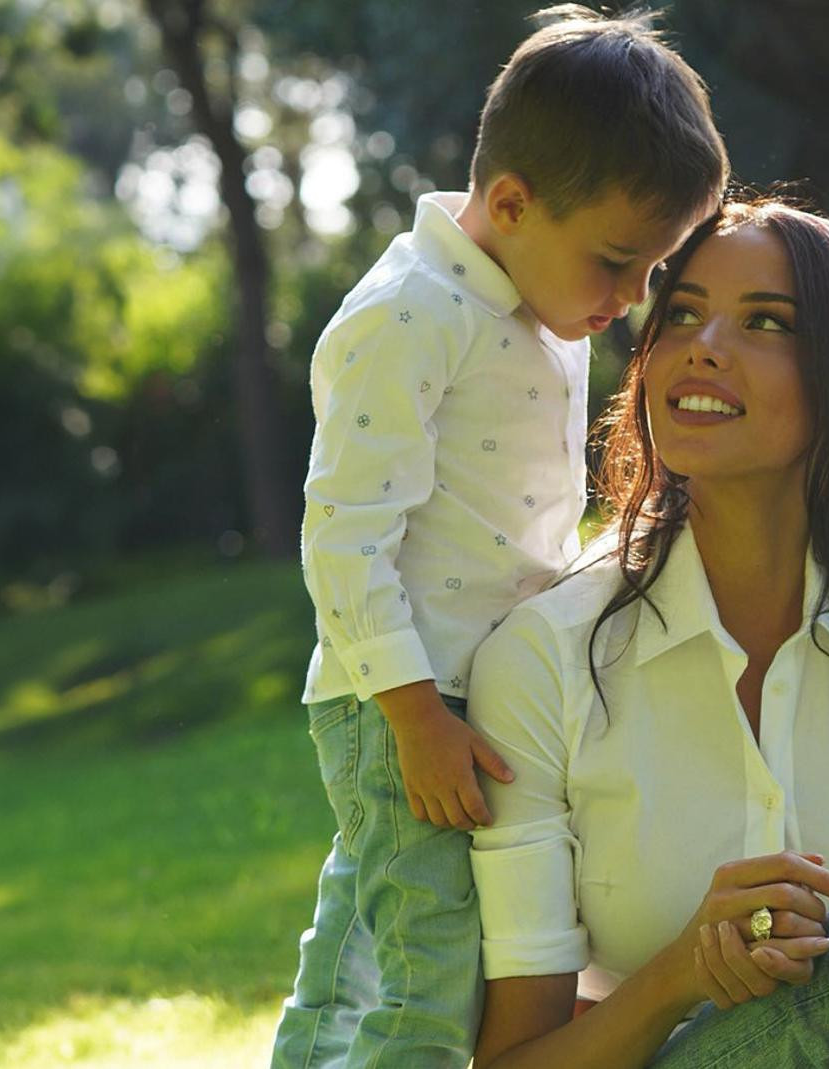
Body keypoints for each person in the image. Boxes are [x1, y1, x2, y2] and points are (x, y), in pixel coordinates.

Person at [465, 199, 829, 1067]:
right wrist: (679, 975)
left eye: (766, 322)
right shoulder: (544, 657)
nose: (704, 344)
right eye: (683, 313)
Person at [268, 7, 728, 1067]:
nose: (630, 300)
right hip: (408, 701)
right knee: (432, 982)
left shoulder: (531, 301)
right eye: (617, 262)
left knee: (358, 947)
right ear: (512, 203)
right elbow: (342, 539)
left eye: (651, 268)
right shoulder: (411, 313)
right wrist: (416, 715)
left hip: (488, 693)